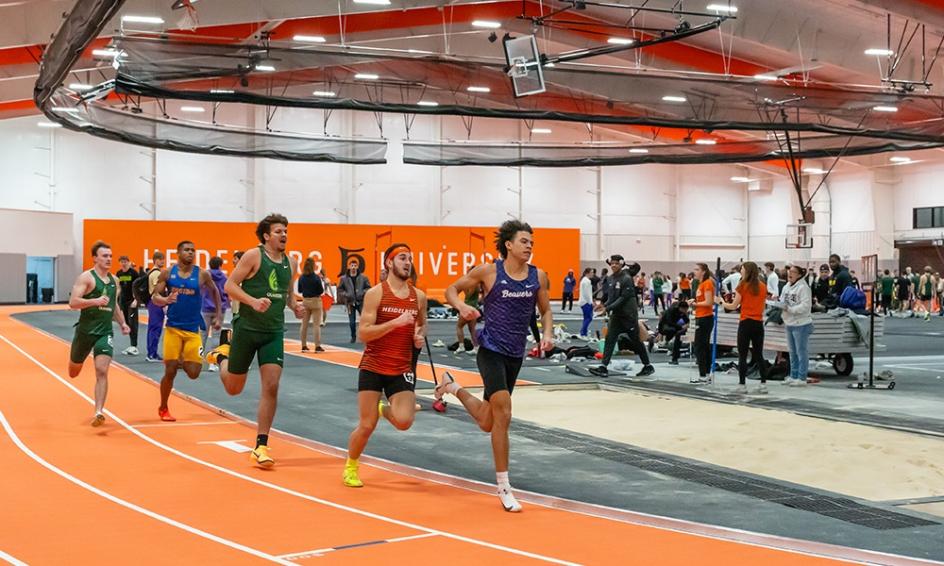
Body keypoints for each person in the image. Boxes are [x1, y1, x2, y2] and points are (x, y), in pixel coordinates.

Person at [436, 220, 553, 513]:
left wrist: (548, 334)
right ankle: (504, 487)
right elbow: (451, 289)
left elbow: (546, 309)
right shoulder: (488, 272)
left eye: (532, 242)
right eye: (524, 241)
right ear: (509, 245)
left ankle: (452, 386)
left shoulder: (538, 276)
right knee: (504, 412)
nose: (529, 246)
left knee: (488, 421)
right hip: (490, 350)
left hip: (516, 354)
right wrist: (461, 307)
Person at [205, 214, 305, 468]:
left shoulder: (291, 263)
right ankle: (222, 355)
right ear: (266, 236)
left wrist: (295, 307)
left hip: (273, 332)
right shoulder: (254, 256)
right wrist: (252, 301)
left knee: (271, 386)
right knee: (233, 388)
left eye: (286, 231)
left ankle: (261, 444)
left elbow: (287, 295)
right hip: (247, 329)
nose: (284, 235)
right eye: (278, 231)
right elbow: (229, 286)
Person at [343, 244, 427, 488]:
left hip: (401, 367)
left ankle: (383, 408)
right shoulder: (376, 294)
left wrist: (417, 336)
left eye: (410, 258)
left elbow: (421, 326)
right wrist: (396, 323)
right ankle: (351, 465)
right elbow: (364, 334)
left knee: (404, 422)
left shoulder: (418, 297)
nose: (407, 262)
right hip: (374, 365)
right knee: (367, 425)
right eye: (402, 258)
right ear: (389, 263)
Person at [150, 240, 222, 421]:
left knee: (194, 373)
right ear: (178, 252)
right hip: (173, 329)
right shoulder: (168, 273)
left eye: (193, 250)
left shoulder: (202, 274)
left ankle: (180, 358)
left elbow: (215, 292)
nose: (191, 253)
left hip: (192, 331)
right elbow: (155, 296)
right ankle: (163, 407)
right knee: (170, 371)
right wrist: (165, 300)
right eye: (187, 250)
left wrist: (218, 315)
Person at [68, 241, 131, 426]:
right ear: (95, 258)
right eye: (105, 256)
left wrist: (123, 323)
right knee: (73, 372)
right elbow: (73, 302)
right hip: (85, 332)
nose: (109, 259)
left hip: (105, 332)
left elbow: (114, 305)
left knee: (102, 370)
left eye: (110, 256)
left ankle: (98, 412)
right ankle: (75, 360)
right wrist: (94, 301)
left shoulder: (115, 281)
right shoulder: (86, 278)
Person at [589, 255, 654, 378]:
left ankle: (648, 365)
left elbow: (623, 298)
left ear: (621, 264)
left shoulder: (626, 278)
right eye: (612, 263)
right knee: (610, 339)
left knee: (636, 341)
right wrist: (603, 305)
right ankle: (603, 367)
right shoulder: (612, 278)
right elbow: (612, 297)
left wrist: (607, 309)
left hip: (628, 316)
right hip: (617, 315)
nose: (613, 265)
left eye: (616, 264)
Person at [717, 262, 767, 395]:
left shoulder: (742, 286)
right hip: (758, 323)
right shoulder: (763, 287)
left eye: (743, 269)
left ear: (748, 271)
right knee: (759, 354)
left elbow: (733, 306)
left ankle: (742, 385)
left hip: (746, 323)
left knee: (743, 355)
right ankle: (763, 384)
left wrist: (721, 302)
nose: (741, 272)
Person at [775, 265, 813, 386]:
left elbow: (806, 306)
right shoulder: (786, 286)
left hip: (801, 323)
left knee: (801, 351)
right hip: (789, 322)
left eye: (792, 272)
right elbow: (783, 301)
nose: (789, 274)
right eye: (789, 271)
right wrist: (777, 303)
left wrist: (791, 309)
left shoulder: (803, 288)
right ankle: (793, 375)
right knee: (792, 352)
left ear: (799, 274)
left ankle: (802, 377)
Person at [688, 262, 715, 383]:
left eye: (697, 269)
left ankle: (704, 375)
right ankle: (706, 374)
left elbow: (709, 302)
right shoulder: (701, 284)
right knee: (702, 346)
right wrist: (695, 301)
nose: (695, 271)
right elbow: (703, 299)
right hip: (700, 316)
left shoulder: (708, 283)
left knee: (700, 347)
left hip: (705, 318)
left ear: (703, 271)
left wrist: (695, 304)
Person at [202, 256, 230, 370]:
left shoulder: (205, 276)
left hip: (205, 308)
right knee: (216, 335)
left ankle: (198, 360)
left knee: (202, 334)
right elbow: (226, 292)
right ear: (220, 265)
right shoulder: (224, 277)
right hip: (220, 309)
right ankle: (213, 363)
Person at [338, 259, 371, 343]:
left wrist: (362, 293)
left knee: (365, 320)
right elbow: (340, 289)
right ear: (349, 267)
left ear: (357, 267)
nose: (353, 267)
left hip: (361, 302)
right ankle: (353, 336)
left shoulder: (363, 278)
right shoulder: (344, 278)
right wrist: (346, 294)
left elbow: (368, 288)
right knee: (352, 322)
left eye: (355, 266)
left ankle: (365, 336)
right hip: (350, 303)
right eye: (352, 265)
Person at [298, 257, 325, 352]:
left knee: (304, 324)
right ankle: (317, 346)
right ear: (313, 266)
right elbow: (321, 291)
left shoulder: (301, 277)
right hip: (315, 301)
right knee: (316, 325)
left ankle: (303, 345)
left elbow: (299, 290)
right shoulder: (316, 277)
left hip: (305, 301)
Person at [115, 255, 140, 356]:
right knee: (127, 323)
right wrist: (116, 300)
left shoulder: (134, 273)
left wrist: (136, 300)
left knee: (133, 322)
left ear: (129, 262)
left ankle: (134, 346)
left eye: (125, 261)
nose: (123, 263)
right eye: (122, 261)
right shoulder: (119, 273)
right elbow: (119, 287)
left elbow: (138, 287)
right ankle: (131, 345)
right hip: (123, 302)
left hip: (132, 302)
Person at [145, 251, 166, 362]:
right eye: (160, 259)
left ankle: (151, 352)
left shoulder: (151, 272)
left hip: (152, 302)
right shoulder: (157, 274)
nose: (162, 261)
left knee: (152, 328)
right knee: (155, 328)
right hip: (156, 302)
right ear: (155, 260)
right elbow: (158, 290)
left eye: (163, 259)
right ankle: (151, 354)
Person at [658, 300, 689, 366]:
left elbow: (686, 320)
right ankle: (667, 341)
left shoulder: (682, 313)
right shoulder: (671, 311)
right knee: (673, 331)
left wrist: (687, 324)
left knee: (678, 334)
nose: (686, 311)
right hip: (665, 326)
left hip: (674, 326)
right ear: (681, 308)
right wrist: (681, 327)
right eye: (685, 309)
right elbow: (669, 322)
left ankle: (674, 353)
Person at [456, 280, 481, 353]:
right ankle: (476, 347)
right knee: (472, 329)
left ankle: (461, 346)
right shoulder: (478, 285)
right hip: (474, 308)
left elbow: (469, 294)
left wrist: (464, 288)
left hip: (468, 308)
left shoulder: (473, 285)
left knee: (459, 326)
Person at [577, 267, 594, 339]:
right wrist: (591, 302)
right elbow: (587, 293)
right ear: (588, 273)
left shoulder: (584, 280)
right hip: (586, 302)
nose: (593, 274)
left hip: (584, 301)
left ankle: (584, 332)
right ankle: (583, 333)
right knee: (589, 318)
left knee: (586, 318)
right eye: (592, 272)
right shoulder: (587, 281)